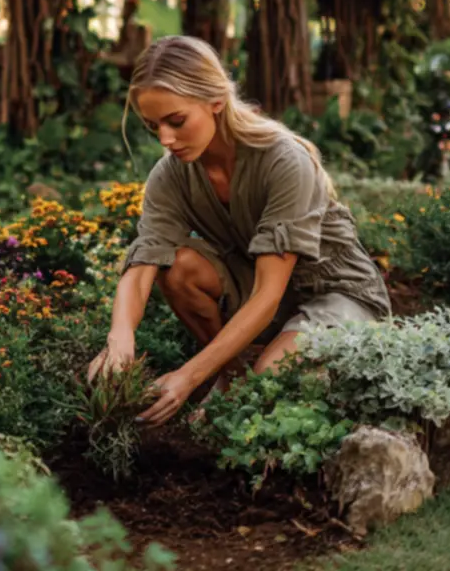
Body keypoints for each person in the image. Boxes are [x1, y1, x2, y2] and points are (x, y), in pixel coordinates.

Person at [88, 36, 390, 425]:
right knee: (177, 267)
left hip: (336, 293)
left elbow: (267, 295)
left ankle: (246, 376)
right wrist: (119, 338)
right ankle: (231, 377)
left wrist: (187, 376)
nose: (165, 139)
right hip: (265, 296)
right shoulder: (172, 175)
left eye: (176, 121)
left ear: (215, 100)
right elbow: (145, 260)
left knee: (270, 380)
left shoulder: (283, 161)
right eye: (153, 126)